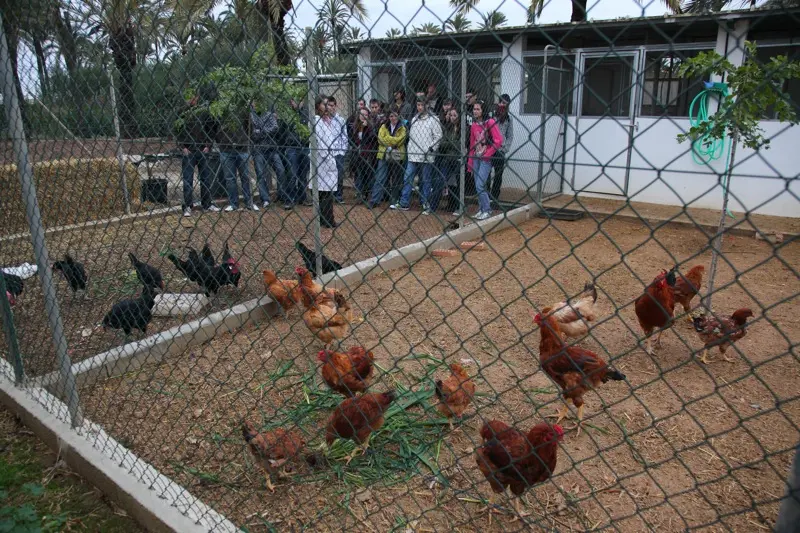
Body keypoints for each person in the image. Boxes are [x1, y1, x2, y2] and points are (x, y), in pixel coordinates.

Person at [392, 96, 442, 214]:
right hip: (413, 154)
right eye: (418, 105)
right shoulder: (414, 119)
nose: (419, 107)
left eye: (422, 105)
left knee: (425, 180)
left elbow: (438, 136)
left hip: (426, 155)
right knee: (407, 178)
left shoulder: (434, 119)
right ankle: (404, 202)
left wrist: (431, 149)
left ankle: (426, 203)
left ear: (427, 106)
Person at [176, 94, 220, 217]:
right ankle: (188, 207)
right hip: (188, 151)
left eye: (195, 97)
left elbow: (211, 128)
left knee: (206, 179)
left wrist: (208, 145)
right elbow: (176, 130)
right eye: (190, 97)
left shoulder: (204, 112)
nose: (193, 99)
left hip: (202, 150)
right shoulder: (181, 112)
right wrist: (182, 147)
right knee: (187, 180)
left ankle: (207, 204)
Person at [468, 99, 503, 221]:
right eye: (474, 109)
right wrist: (470, 163)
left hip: (485, 158)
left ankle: (487, 210)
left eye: (478, 109)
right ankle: (481, 209)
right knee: (478, 185)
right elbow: (472, 144)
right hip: (477, 157)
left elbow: (498, 140)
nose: (475, 111)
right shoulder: (474, 125)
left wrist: (488, 154)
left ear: (483, 110)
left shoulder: (490, 122)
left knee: (480, 185)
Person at [218, 103, 255, 212]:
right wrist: (221, 141)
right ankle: (233, 204)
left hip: (242, 149)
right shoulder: (221, 108)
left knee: (246, 177)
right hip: (226, 150)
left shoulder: (243, 109)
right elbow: (216, 127)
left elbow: (250, 127)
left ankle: (249, 203)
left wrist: (244, 140)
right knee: (230, 179)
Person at [250, 100, 286, 209]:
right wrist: (263, 132)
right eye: (253, 103)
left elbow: (275, 128)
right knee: (260, 175)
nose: (255, 104)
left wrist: (260, 131)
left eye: (256, 102)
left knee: (281, 170)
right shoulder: (251, 116)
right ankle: (265, 199)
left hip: (272, 149)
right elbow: (252, 134)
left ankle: (281, 194)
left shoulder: (268, 114)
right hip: (258, 150)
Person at [369, 110, 407, 209]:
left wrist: (387, 139)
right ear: (388, 117)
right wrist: (392, 140)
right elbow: (380, 139)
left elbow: (401, 140)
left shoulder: (402, 127)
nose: (393, 118)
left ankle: (394, 201)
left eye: (395, 116)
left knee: (395, 178)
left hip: (397, 155)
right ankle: (374, 200)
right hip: (383, 154)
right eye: (391, 116)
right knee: (380, 177)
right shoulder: (383, 126)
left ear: (398, 116)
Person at [313, 95, 340, 228]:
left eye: (327, 104)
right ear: (318, 106)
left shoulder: (328, 121)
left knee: (327, 192)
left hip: (329, 160)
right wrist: (328, 157)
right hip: (322, 161)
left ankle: (327, 219)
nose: (326, 107)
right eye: (324, 104)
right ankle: (326, 220)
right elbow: (320, 143)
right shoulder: (316, 121)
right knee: (324, 193)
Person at [282, 98, 310, 208]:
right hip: (291, 148)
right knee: (292, 174)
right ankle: (290, 199)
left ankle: (302, 198)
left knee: (303, 175)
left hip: (304, 147)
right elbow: (282, 131)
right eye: (293, 100)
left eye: (299, 100)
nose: (296, 103)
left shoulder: (307, 113)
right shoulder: (288, 114)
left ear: (303, 101)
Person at [489, 94, 514, 210]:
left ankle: (494, 197)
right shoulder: (492, 116)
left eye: (505, 103)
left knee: (498, 175)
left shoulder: (509, 118)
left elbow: (510, 135)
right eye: (501, 102)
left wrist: (505, 148)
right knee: (487, 173)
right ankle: (486, 196)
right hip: (490, 148)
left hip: (501, 150)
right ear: (498, 103)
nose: (503, 105)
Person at [437, 108, 462, 215]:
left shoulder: (464, 128)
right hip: (448, 158)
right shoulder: (448, 127)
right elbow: (442, 143)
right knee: (449, 182)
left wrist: (450, 143)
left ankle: (458, 206)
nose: (452, 117)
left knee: (458, 183)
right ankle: (451, 205)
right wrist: (452, 143)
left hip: (458, 159)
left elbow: (460, 145)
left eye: (454, 115)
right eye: (450, 115)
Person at [350, 107, 378, 202]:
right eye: (362, 114)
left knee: (368, 175)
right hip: (358, 155)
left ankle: (368, 194)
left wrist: (366, 128)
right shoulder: (355, 126)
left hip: (368, 155)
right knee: (359, 175)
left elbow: (370, 139)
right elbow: (354, 140)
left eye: (366, 115)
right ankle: (359, 194)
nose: (364, 117)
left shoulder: (371, 127)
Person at [325, 96, 348, 203]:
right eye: (329, 105)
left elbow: (345, 137)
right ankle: (329, 196)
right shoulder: (323, 120)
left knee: (339, 174)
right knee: (328, 174)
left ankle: (338, 196)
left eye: (333, 105)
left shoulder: (341, 120)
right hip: (327, 152)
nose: (331, 108)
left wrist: (343, 151)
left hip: (338, 152)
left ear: (336, 106)